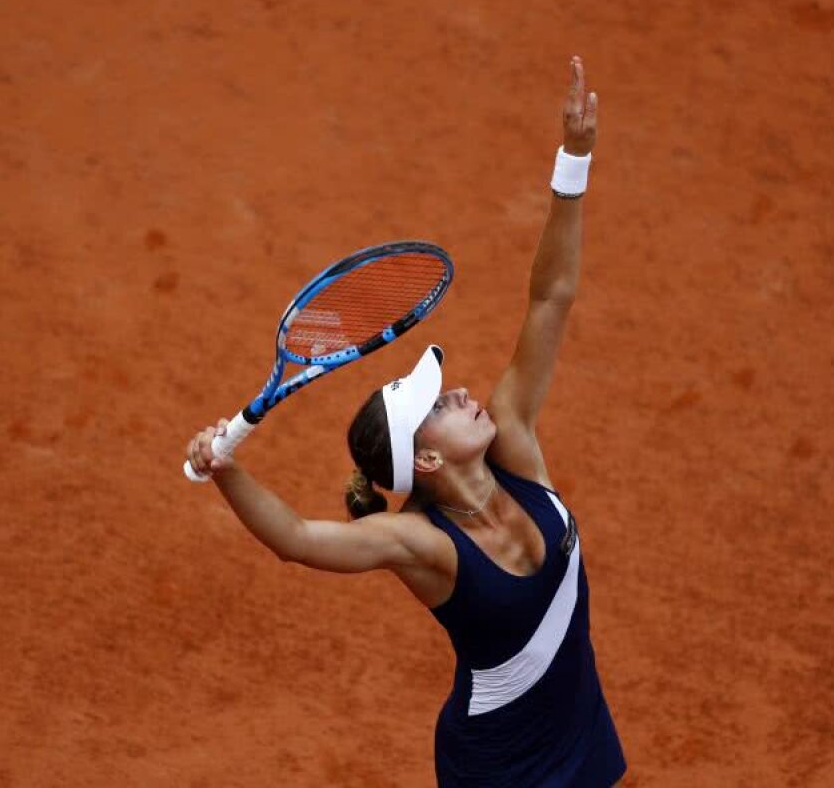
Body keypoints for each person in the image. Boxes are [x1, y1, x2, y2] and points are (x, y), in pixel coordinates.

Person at [185, 55, 625, 788]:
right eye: (437, 406)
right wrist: (227, 470)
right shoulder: (423, 543)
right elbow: (296, 540)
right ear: (424, 462)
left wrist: (572, 161)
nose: (457, 394)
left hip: (580, 739)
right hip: (500, 771)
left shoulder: (513, 438)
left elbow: (550, 297)